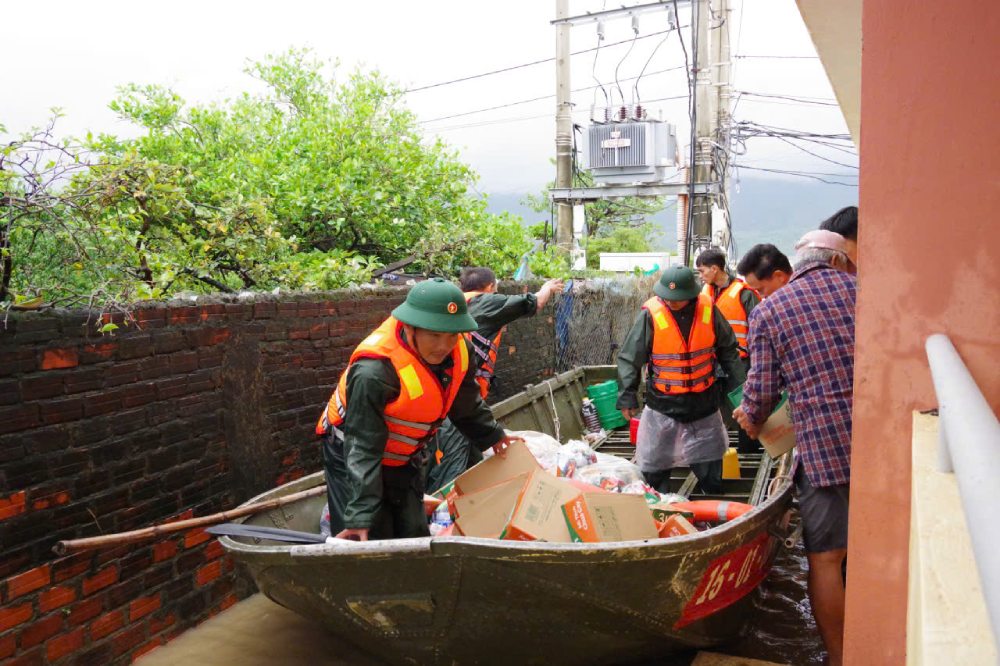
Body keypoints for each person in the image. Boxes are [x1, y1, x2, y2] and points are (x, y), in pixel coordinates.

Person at [315, 278, 521, 541]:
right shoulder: (375, 370)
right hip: (351, 455)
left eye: (451, 335)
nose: (443, 346)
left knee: (413, 532)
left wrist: (493, 436)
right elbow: (363, 444)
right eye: (434, 335)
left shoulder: (460, 351)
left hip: (405, 455)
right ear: (411, 328)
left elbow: (465, 403)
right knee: (370, 538)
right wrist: (360, 515)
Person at [732, 229, 856, 666]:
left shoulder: (770, 312)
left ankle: (841, 657)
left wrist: (748, 416)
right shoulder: (864, 290)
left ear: (793, 268)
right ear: (839, 261)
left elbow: (761, 393)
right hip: (883, 446)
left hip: (824, 450)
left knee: (825, 559)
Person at [425, 269, 563, 491]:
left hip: (444, 401)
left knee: (473, 464)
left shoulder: (452, 307)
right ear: (490, 287)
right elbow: (533, 303)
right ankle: (442, 519)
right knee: (451, 476)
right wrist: (547, 288)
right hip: (458, 406)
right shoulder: (487, 302)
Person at [616, 266, 745, 495]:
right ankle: (658, 504)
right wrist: (627, 395)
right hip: (663, 404)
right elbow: (630, 358)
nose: (671, 302)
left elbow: (729, 353)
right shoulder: (650, 315)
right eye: (667, 297)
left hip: (703, 403)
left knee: (710, 461)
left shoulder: (709, 310)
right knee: (654, 464)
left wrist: (741, 392)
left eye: (678, 298)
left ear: (691, 295)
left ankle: (712, 502)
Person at [695, 247, 762, 454]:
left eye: (702, 270)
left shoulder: (744, 293)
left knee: (744, 404)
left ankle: (747, 450)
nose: (700, 275)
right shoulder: (704, 293)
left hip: (739, 361)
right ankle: (718, 451)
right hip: (711, 361)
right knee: (714, 408)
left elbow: (759, 326)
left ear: (715, 269)